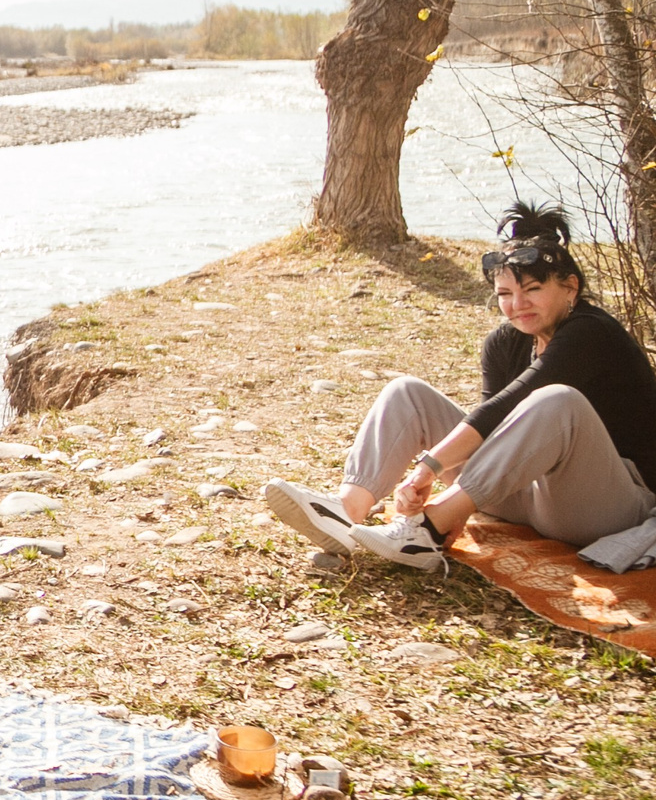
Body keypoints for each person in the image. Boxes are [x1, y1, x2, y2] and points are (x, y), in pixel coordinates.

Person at [265, 201, 656, 573]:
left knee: (557, 401)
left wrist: (430, 468)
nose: (518, 304)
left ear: (570, 287)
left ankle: (429, 530)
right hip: (526, 498)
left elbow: (507, 406)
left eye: (533, 289)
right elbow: (495, 435)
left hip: (604, 506)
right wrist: (451, 480)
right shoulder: (506, 342)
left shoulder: (591, 332)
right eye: (505, 294)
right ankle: (345, 512)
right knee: (407, 392)